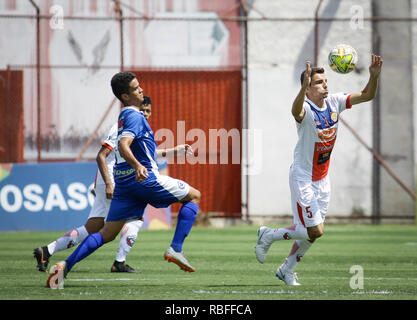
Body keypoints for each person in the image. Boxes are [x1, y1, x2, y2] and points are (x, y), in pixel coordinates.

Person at [46, 72, 201, 289]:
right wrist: (138, 166)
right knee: (194, 196)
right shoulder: (135, 117)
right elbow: (123, 146)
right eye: (136, 88)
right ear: (125, 96)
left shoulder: (124, 118)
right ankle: (175, 248)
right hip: (144, 179)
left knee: (106, 233)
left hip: (124, 184)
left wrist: (173, 151)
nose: (141, 90)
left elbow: (142, 149)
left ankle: (65, 266)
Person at [255, 54, 383, 286]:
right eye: (318, 82)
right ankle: (269, 235)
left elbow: (367, 95)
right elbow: (295, 112)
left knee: (311, 233)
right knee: (316, 231)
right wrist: (301, 90)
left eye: (325, 81)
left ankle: (287, 269)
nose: (324, 85)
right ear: (307, 88)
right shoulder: (305, 108)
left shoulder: (335, 102)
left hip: (323, 179)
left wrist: (373, 76)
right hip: (303, 177)